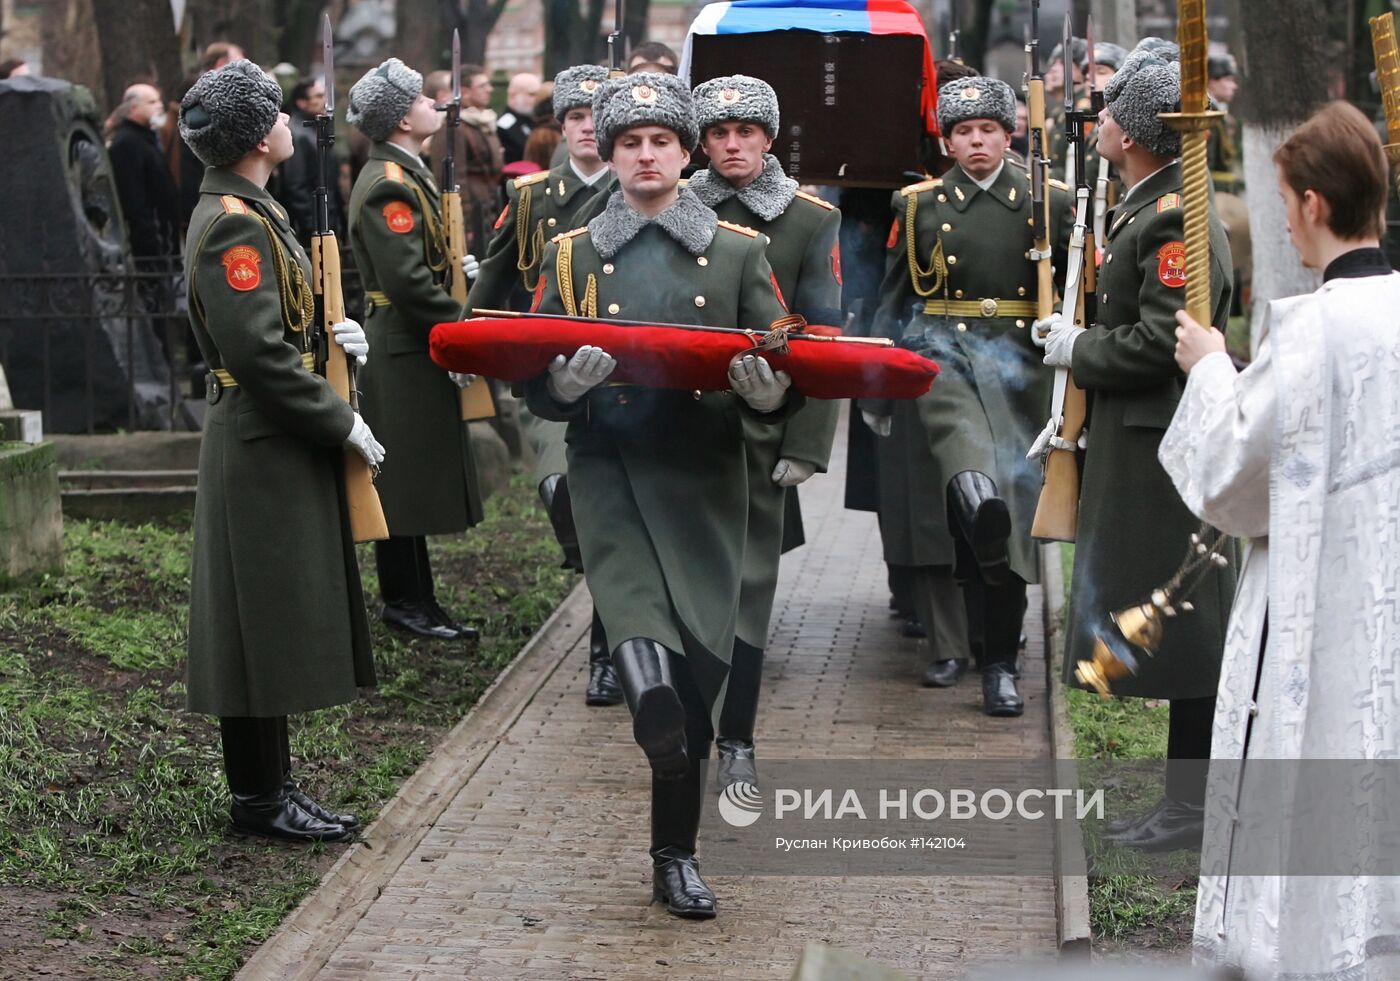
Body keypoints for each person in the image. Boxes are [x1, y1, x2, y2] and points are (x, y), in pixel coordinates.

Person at [526, 72, 795, 919]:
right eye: (630, 143)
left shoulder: (740, 250)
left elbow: (783, 363)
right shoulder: (570, 254)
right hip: (611, 470)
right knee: (648, 658)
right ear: (608, 154)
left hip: (708, 475)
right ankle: (650, 718)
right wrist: (562, 388)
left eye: (662, 143)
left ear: (686, 154)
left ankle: (675, 853)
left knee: (700, 683)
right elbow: (533, 368)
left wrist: (764, 396)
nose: (646, 156)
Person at [1161, 99, 1400, 981]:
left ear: (1309, 204)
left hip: (1316, 618)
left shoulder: (1310, 336)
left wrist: (1210, 368)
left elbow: (1232, 481)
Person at [1041, 39, 1235, 850]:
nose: (1100, 120)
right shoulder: (1145, 205)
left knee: (1188, 627)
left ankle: (1192, 808)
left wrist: (1077, 348)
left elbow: (1165, 340)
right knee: (1175, 623)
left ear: (1137, 130)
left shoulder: (1171, 221)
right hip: (1140, 440)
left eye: (1113, 109)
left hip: (1165, 449)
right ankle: (1185, 804)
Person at [178, 59, 378, 842]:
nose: (292, 122)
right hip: (263, 441)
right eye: (279, 114)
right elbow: (258, 356)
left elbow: (281, 329)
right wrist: (339, 419)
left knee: (264, 620)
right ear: (261, 134)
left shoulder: (250, 209)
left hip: (270, 437)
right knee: (254, 624)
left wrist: (337, 347)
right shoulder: (234, 221)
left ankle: (272, 787)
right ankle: (260, 798)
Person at [863, 76, 1072, 716]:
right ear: (947, 142)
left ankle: (1000, 662)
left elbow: (1077, 293)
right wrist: (874, 379)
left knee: (1000, 515)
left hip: (1021, 369)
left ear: (1008, 135)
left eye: (987, 129)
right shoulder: (918, 205)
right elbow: (897, 296)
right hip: (944, 357)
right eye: (962, 132)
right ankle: (980, 636)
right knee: (973, 478)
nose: (976, 141)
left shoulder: (1049, 201)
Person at [688, 74, 841, 783]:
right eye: (717, 133)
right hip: (682, 418)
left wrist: (807, 443)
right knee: (689, 583)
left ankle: (738, 738)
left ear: (768, 138)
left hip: (762, 422)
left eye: (744, 132)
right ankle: (687, 728)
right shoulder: (675, 205)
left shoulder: (810, 219)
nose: (730, 145)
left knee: (750, 585)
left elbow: (823, 336)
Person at [471, 64, 620, 705]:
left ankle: (608, 650)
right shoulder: (532, 196)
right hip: (552, 376)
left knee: (615, 519)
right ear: (562, 128)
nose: (588, 129)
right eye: (576, 119)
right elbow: (496, 277)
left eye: (597, 117)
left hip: (623, 372)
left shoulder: (641, 188)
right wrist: (467, 340)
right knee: (563, 490)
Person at [346, 58, 485, 641]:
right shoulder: (388, 186)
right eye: (426, 99)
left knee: (411, 480)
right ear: (405, 118)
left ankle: (420, 600)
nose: (436, 105)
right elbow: (406, 283)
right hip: (405, 348)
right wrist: (463, 328)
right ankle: (404, 602)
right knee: (400, 483)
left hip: (414, 344)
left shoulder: (404, 173)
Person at [424, 65, 504, 253]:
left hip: (489, 207)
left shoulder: (482, 122)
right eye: (483, 86)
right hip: (472, 214)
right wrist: (465, 224)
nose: (490, 89)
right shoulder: (453, 128)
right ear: (465, 92)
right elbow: (453, 178)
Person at [108, 83, 181, 261]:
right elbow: (133, 200)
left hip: (164, 237)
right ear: (134, 108)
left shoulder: (145, 137)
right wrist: (152, 242)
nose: (160, 106)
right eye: (152, 102)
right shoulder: (126, 143)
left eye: (159, 100)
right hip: (150, 246)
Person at [276, 77, 344, 244]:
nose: (324, 101)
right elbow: (295, 184)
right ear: (302, 102)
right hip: (314, 224)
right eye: (319, 96)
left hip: (326, 217)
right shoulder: (299, 134)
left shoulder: (315, 129)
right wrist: (311, 225)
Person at [497, 71, 541, 164]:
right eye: (531, 94)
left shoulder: (533, 119)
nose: (537, 99)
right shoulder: (504, 125)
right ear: (513, 95)